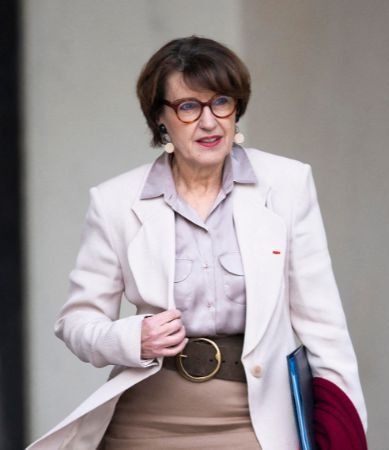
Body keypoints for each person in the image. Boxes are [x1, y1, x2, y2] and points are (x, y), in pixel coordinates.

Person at [27, 36, 366, 450]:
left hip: (255, 421)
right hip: (145, 424)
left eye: (221, 102)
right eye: (189, 107)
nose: (209, 122)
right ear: (160, 118)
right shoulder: (115, 201)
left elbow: (325, 328)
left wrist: (345, 431)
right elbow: (77, 323)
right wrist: (133, 338)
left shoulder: (287, 185)